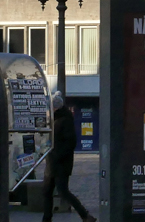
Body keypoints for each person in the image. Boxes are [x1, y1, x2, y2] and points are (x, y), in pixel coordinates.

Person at [43, 93, 96, 222]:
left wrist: (57, 155)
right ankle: (47, 218)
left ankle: (85, 215)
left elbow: (70, 143)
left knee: (63, 191)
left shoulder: (64, 120)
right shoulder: (54, 119)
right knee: (47, 192)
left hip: (60, 163)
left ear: (55, 107)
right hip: (52, 162)